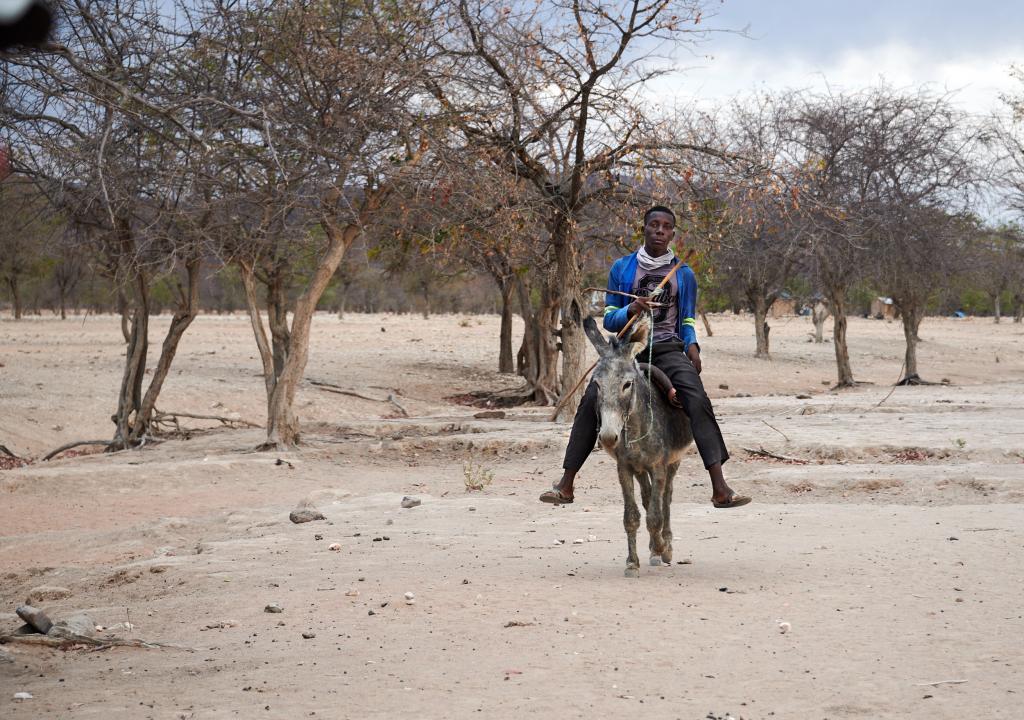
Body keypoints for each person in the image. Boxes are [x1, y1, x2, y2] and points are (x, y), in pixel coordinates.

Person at [539, 205, 751, 509]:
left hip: (667, 347)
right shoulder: (622, 268)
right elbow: (611, 319)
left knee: (697, 399)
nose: (660, 231)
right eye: (654, 225)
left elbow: (687, 319)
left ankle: (720, 487)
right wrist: (632, 309)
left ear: (673, 234)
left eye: (666, 227)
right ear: (645, 229)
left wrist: (692, 346)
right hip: (626, 350)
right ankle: (566, 484)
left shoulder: (684, 274)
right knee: (590, 400)